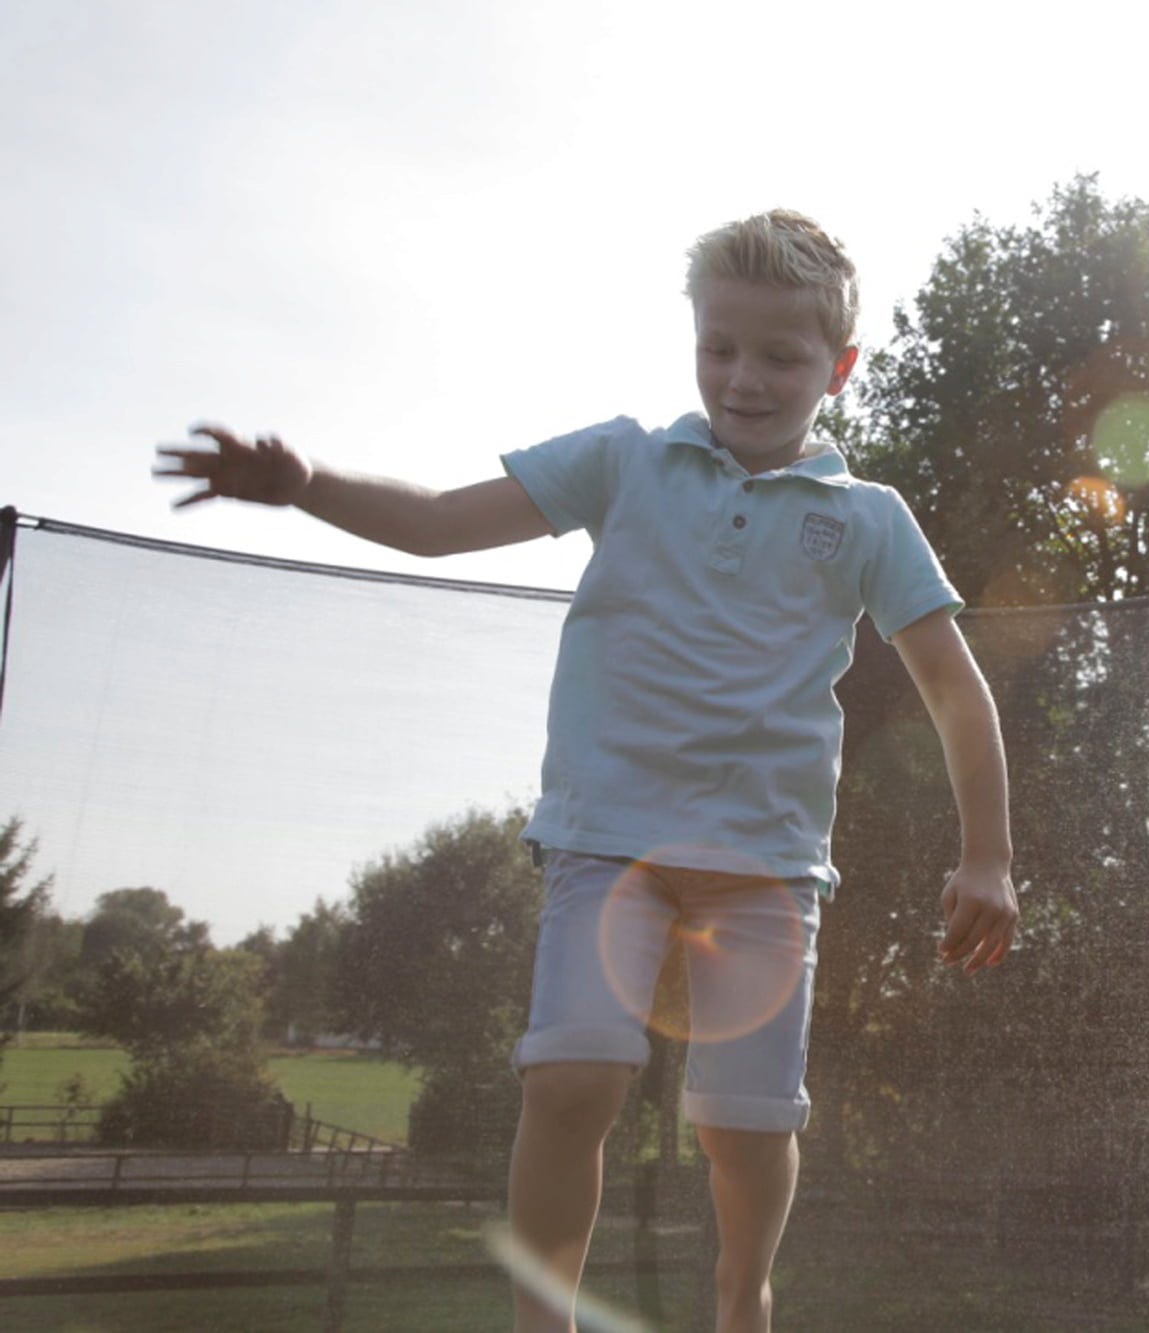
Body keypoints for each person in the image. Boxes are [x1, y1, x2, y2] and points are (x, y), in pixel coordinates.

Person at [154, 209, 1018, 1333]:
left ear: (838, 368)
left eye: (780, 355)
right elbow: (438, 522)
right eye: (719, 347)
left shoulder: (867, 520)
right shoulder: (623, 462)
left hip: (763, 865)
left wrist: (987, 856)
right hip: (606, 837)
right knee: (572, 1078)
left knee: (744, 1125)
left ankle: (742, 1294)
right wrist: (308, 482)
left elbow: (953, 686)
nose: (743, 378)